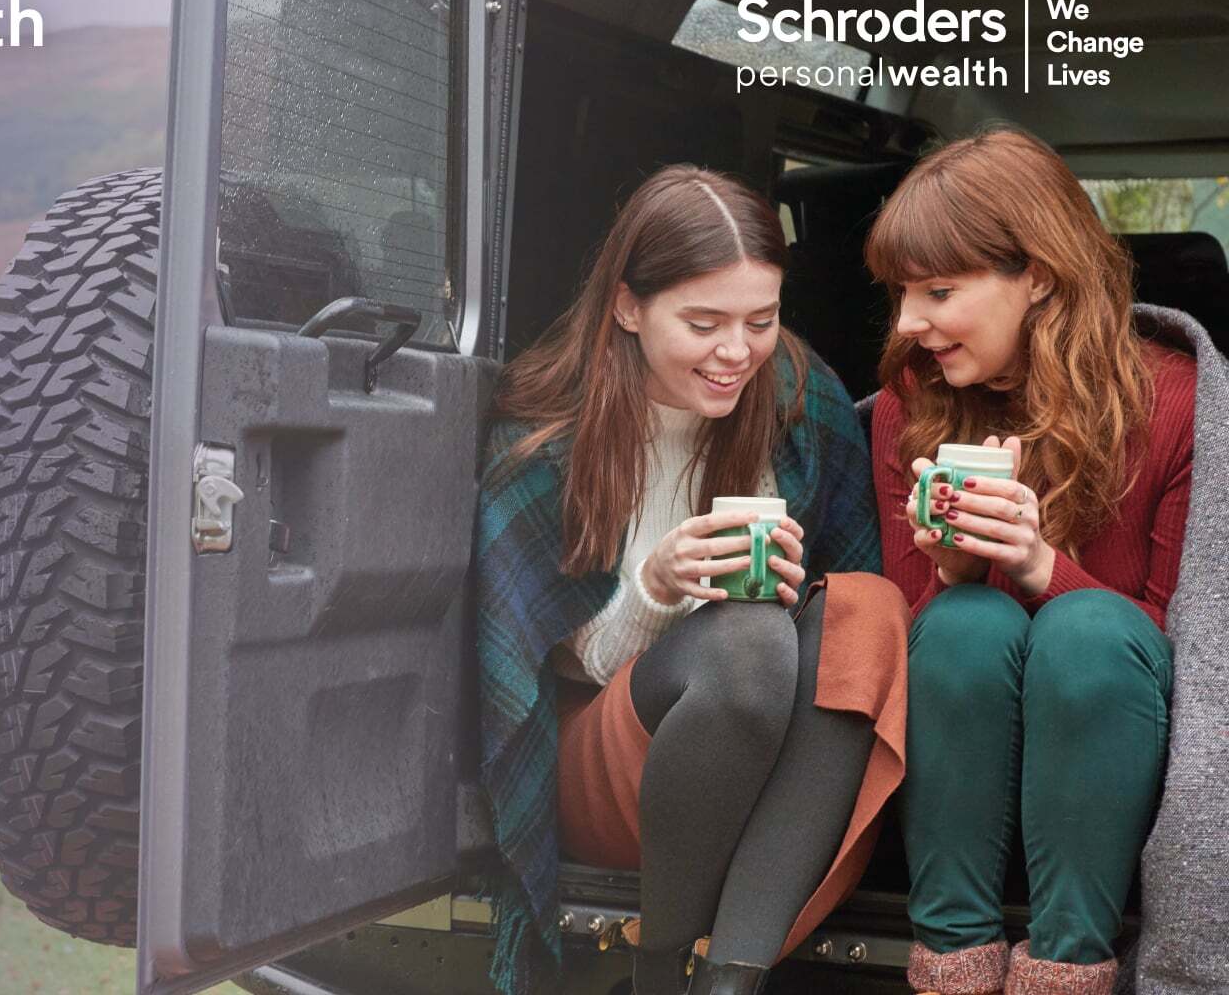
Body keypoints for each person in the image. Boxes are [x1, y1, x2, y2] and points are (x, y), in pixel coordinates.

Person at [475, 165, 909, 995]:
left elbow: (849, 642)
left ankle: (729, 981)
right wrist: (656, 590)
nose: (735, 353)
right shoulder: (542, 435)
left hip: (775, 761)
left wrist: (798, 594)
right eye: (703, 322)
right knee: (745, 641)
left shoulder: (798, 394)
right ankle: (657, 963)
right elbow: (535, 679)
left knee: (866, 608)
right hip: (609, 759)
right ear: (628, 307)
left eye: (761, 320)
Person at [864, 127, 1198, 995]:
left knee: (1089, 626)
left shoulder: (1175, 402)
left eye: (940, 291)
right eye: (902, 294)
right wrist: (948, 572)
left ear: (1039, 276)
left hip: (1115, 740)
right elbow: (908, 649)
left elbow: (1182, 645)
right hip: (959, 745)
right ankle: (953, 970)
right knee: (965, 623)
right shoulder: (908, 400)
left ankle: (1067, 970)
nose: (909, 324)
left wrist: (1043, 566)